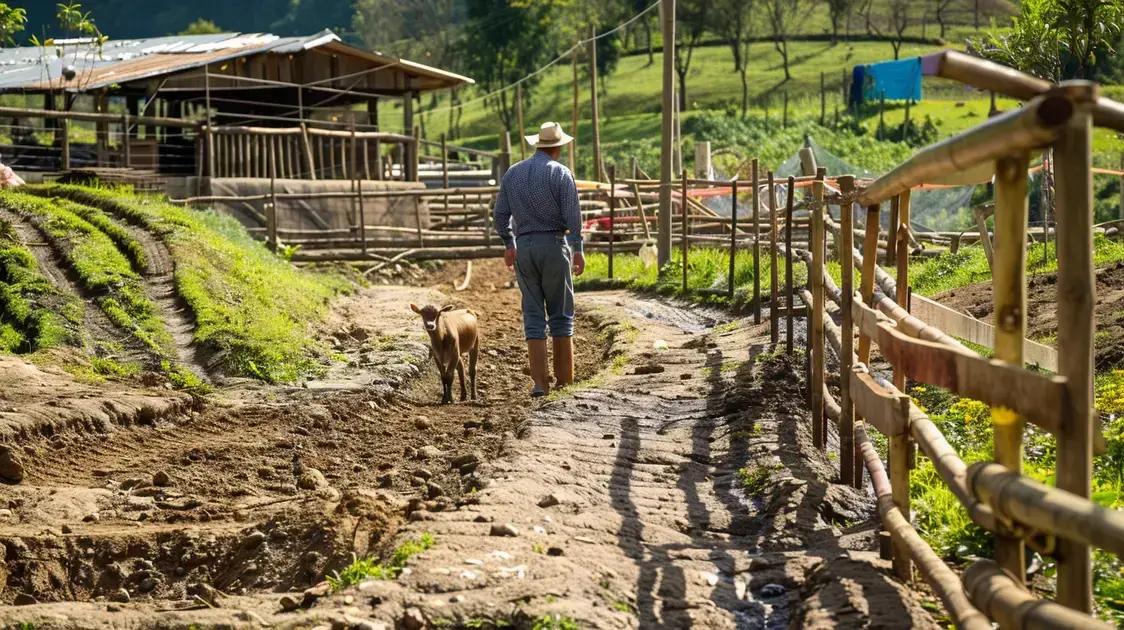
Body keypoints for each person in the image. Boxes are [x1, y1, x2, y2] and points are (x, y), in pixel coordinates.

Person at [493, 121, 585, 397]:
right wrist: (577, 248)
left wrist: (509, 243)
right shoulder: (561, 173)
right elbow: (573, 216)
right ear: (558, 147)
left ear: (538, 145)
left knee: (533, 315)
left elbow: (500, 215)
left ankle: (539, 383)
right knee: (561, 313)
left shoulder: (513, 173)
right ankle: (564, 380)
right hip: (554, 246)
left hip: (524, 248)